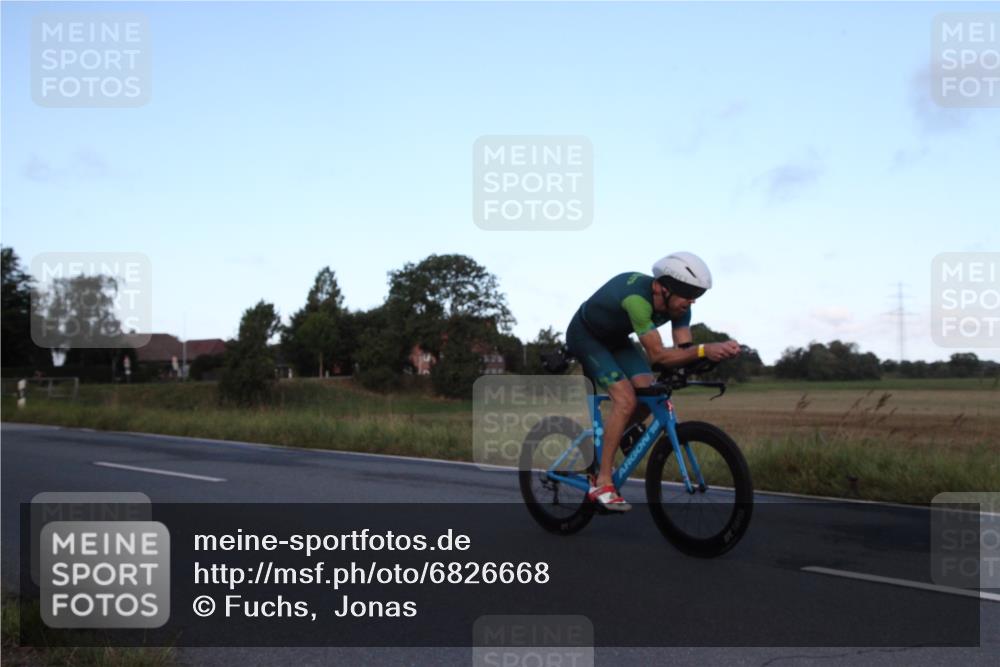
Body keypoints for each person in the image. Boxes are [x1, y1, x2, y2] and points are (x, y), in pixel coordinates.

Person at [565, 252, 741, 511]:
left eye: (696, 296)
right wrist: (705, 350)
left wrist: (712, 356)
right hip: (586, 337)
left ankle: (617, 436)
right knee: (625, 400)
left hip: (616, 339)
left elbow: (683, 351)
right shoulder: (637, 300)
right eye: (687, 294)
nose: (691, 302)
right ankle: (602, 481)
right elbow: (658, 356)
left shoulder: (681, 308)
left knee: (651, 393)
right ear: (662, 288)